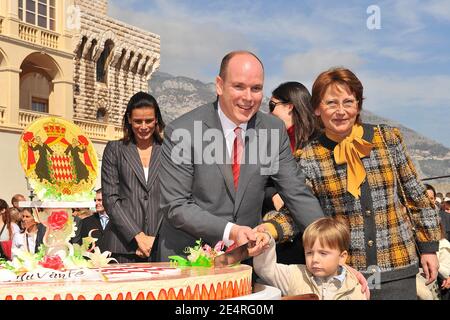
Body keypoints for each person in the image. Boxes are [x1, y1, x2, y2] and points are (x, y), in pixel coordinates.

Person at [262, 68, 441, 300]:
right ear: (317, 108)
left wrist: (429, 248)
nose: (341, 111)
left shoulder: (387, 139)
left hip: (398, 268)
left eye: (348, 102)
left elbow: (416, 196)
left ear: (358, 105)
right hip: (347, 277)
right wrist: (269, 230)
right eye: (331, 103)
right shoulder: (309, 156)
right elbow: (296, 210)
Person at [156, 51, 324, 261]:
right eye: (239, 86)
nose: (248, 97)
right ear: (219, 85)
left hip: (245, 261)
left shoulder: (272, 130)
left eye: (256, 89)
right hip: (187, 260)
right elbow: (176, 205)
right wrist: (231, 231)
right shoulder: (182, 131)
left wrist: (327, 247)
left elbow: (297, 192)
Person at [102, 92, 165, 263]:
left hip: (160, 246)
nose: (143, 126)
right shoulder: (114, 149)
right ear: (129, 119)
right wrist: (138, 235)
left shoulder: (170, 151)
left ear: (156, 119)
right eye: (138, 121)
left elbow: (175, 198)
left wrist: (155, 238)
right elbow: (110, 199)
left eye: (149, 121)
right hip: (122, 246)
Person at [262, 81, 319, 264]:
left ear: (290, 106)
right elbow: (262, 183)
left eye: (272, 106)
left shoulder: (319, 143)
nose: (269, 113)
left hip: (316, 234)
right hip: (282, 234)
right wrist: (274, 195)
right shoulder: (270, 143)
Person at [252, 217, 366, 300]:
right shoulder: (294, 275)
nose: (315, 259)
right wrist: (266, 240)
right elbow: (266, 269)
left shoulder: (355, 289)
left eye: (323, 253)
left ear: (342, 257)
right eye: (309, 253)